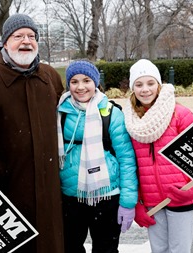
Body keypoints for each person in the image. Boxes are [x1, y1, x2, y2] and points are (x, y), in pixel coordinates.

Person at [0, 14, 65, 253]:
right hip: (8, 190)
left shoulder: (49, 76)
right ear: (5, 43)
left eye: (32, 36)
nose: (26, 41)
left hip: (50, 191)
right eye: (18, 36)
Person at [57, 60, 138, 253]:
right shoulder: (60, 112)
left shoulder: (111, 113)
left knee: (106, 249)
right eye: (74, 81)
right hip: (70, 195)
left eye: (86, 80)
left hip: (106, 195)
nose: (81, 87)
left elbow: (126, 159)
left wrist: (128, 202)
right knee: (69, 248)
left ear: (96, 83)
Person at [123, 59, 193, 253]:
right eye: (139, 84)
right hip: (152, 200)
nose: (145, 90)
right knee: (159, 250)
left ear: (159, 84)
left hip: (180, 194)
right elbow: (130, 164)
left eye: (150, 83)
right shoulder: (130, 120)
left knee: (180, 250)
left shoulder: (179, 114)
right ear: (133, 88)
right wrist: (137, 202)